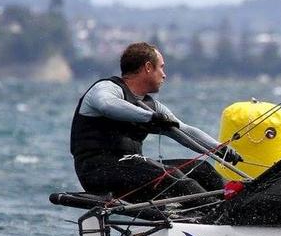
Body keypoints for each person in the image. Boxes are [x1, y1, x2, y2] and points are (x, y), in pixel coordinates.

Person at [70, 42, 240, 201]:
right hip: (98, 173)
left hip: (133, 169)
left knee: (202, 169)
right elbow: (107, 105)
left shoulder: (152, 106)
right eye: (161, 67)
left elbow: (183, 131)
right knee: (171, 177)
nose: (164, 75)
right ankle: (218, 214)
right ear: (148, 68)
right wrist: (149, 117)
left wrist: (220, 149)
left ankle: (233, 204)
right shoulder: (107, 88)